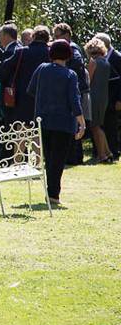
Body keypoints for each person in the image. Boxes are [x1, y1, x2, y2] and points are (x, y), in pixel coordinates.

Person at [27, 40, 85, 206]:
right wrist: (81, 122)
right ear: (68, 55)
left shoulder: (41, 69)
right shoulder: (70, 75)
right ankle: (53, 193)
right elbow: (74, 100)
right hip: (63, 122)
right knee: (58, 159)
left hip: (43, 120)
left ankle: (51, 190)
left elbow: (31, 90)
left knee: (49, 157)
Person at [53, 23, 91, 165]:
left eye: (58, 36)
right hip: (73, 91)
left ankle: (75, 158)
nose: (55, 39)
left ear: (67, 36)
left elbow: (75, 71)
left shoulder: (73, 51)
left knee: (73, 125)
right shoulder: (71, 50)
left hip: (75, 92)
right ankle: (73, 157)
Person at [0, 25, 51, 124]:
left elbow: (3, 72)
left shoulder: (22, 52)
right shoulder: (51, 53)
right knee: (41, 133)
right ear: (48, 38)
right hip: (46, 99)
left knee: (22, 132)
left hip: (23, 98)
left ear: (33, 36)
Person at [84, 38, 114, 163]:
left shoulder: (93, 61)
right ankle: (107, 152)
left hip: (94, 97)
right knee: (99, 126)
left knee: (95, 126)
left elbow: (88, 80)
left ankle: (102, 155)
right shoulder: (106, 62)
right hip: (103, 96)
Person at [96, 32, 121, 159]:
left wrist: (119, 99)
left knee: (111, 125)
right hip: (103, 96)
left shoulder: (117, 57)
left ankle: (113, 150)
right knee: (103, 123)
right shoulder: (101, 57)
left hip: (113, 97)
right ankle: (103, 150)